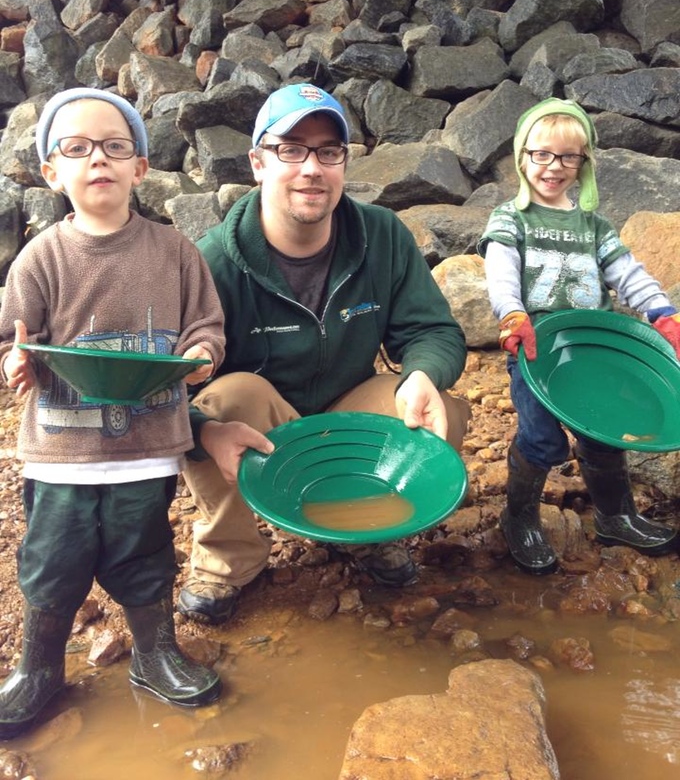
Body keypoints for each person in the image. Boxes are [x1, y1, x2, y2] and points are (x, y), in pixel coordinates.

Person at [0, 87, 269, 739]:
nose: (98, 160)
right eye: (77, 148)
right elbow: (16, 336)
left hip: (145, 449)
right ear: (51, 170)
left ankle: (154, 653)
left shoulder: (173, 251)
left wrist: (201, 354)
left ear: (140, 167)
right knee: (51, 559)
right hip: (62, 453)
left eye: (116, 147)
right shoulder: (41, 257)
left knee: (146, 552)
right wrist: (15, 363)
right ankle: (38, 667)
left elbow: (206, 326)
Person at [177, 82, 471, 625]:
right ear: (258, 162)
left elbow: (434, 332)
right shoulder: (213, 261)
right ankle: (228, 557)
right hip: (262, 435)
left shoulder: (382, 234)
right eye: (291, 150)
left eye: (328, 152)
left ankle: (363, 527)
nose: (312, 168)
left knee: (439, 407)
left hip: (347, 420)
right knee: (229, 397)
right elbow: (169, 388)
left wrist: (422, 375)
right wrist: (201, 432)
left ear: (343, 162)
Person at [478, 97, 680, 576]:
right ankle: (518, 517)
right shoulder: (511, 219)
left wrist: (663, 315)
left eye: (569, 157)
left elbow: (629, 274)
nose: (554, 167)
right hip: (535, 349)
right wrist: (511, 315)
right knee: (542, 439)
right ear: (522, 156)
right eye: (542, 154)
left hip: (593, 351)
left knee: (606, 433)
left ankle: (616, 516)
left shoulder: (595, 226)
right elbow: (501, 272)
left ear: (583, 163)